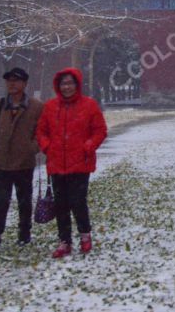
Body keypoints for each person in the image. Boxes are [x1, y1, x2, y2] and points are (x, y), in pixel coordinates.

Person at [36, 68, 107, 259]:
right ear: (58, 86)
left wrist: (88, 146)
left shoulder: (89, 105)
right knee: (61, 204)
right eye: (63, 84)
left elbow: (100, 130)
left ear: (77, 85)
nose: (67, 87)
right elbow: (41, 131)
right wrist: (47, 146)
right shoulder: (50, 107)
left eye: (70, 83)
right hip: (57, 162)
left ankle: (85, 235)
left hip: (80, 163)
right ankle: (64, 241)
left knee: (78, 202)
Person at [0, 67, 44, 251]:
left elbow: (41, 131)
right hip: (2, 161)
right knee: (1, 199)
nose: (12, 84)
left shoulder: (36, 106)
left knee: (24, 199)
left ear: (24, 84)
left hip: (24, 161)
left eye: (16, 81)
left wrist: (32, 147)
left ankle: (24, 233)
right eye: (9, 80)